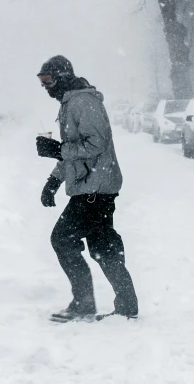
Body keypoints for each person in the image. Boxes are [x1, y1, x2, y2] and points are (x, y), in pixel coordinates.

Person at [36, 55, 138, 323]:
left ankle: (84, 303)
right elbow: (74, 153)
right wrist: (53, 181)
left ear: (62, 77)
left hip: (95, 188)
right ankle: (126, 305)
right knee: (103, 246)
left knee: (62, 239)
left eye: (48, 80)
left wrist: (58, 149)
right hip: (94, 187)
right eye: (41, 81)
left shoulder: (83, 102)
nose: (45, 86)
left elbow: (96, 145)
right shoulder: (71, 103)